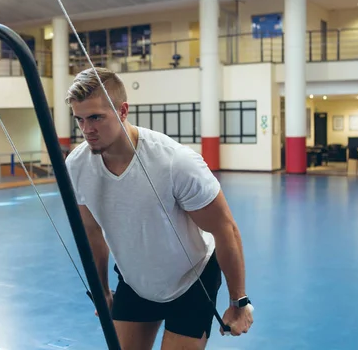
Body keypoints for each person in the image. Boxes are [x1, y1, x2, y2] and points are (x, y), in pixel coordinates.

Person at [64, 67, 252, 350]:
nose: (87, 129)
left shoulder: (176, 163)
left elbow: (225, 229)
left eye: (96, 118)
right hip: (136, 281)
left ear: (123, 110)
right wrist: (102, 289)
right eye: (79, 119)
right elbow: (92, 232)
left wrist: (239, 300)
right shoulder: (77, 166)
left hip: (192, 280)